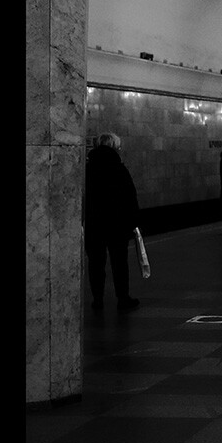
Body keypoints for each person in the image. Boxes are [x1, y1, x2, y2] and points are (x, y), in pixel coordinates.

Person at [84, 133, 141, 313]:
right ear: (114, 147)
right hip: (117, 224)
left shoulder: (88, 168)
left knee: (95, 263)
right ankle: (122, 298)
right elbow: (130, 197)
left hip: (94, 224)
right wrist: (134, 222)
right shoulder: (118, 168)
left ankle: (97, 299)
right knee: (119, 263)